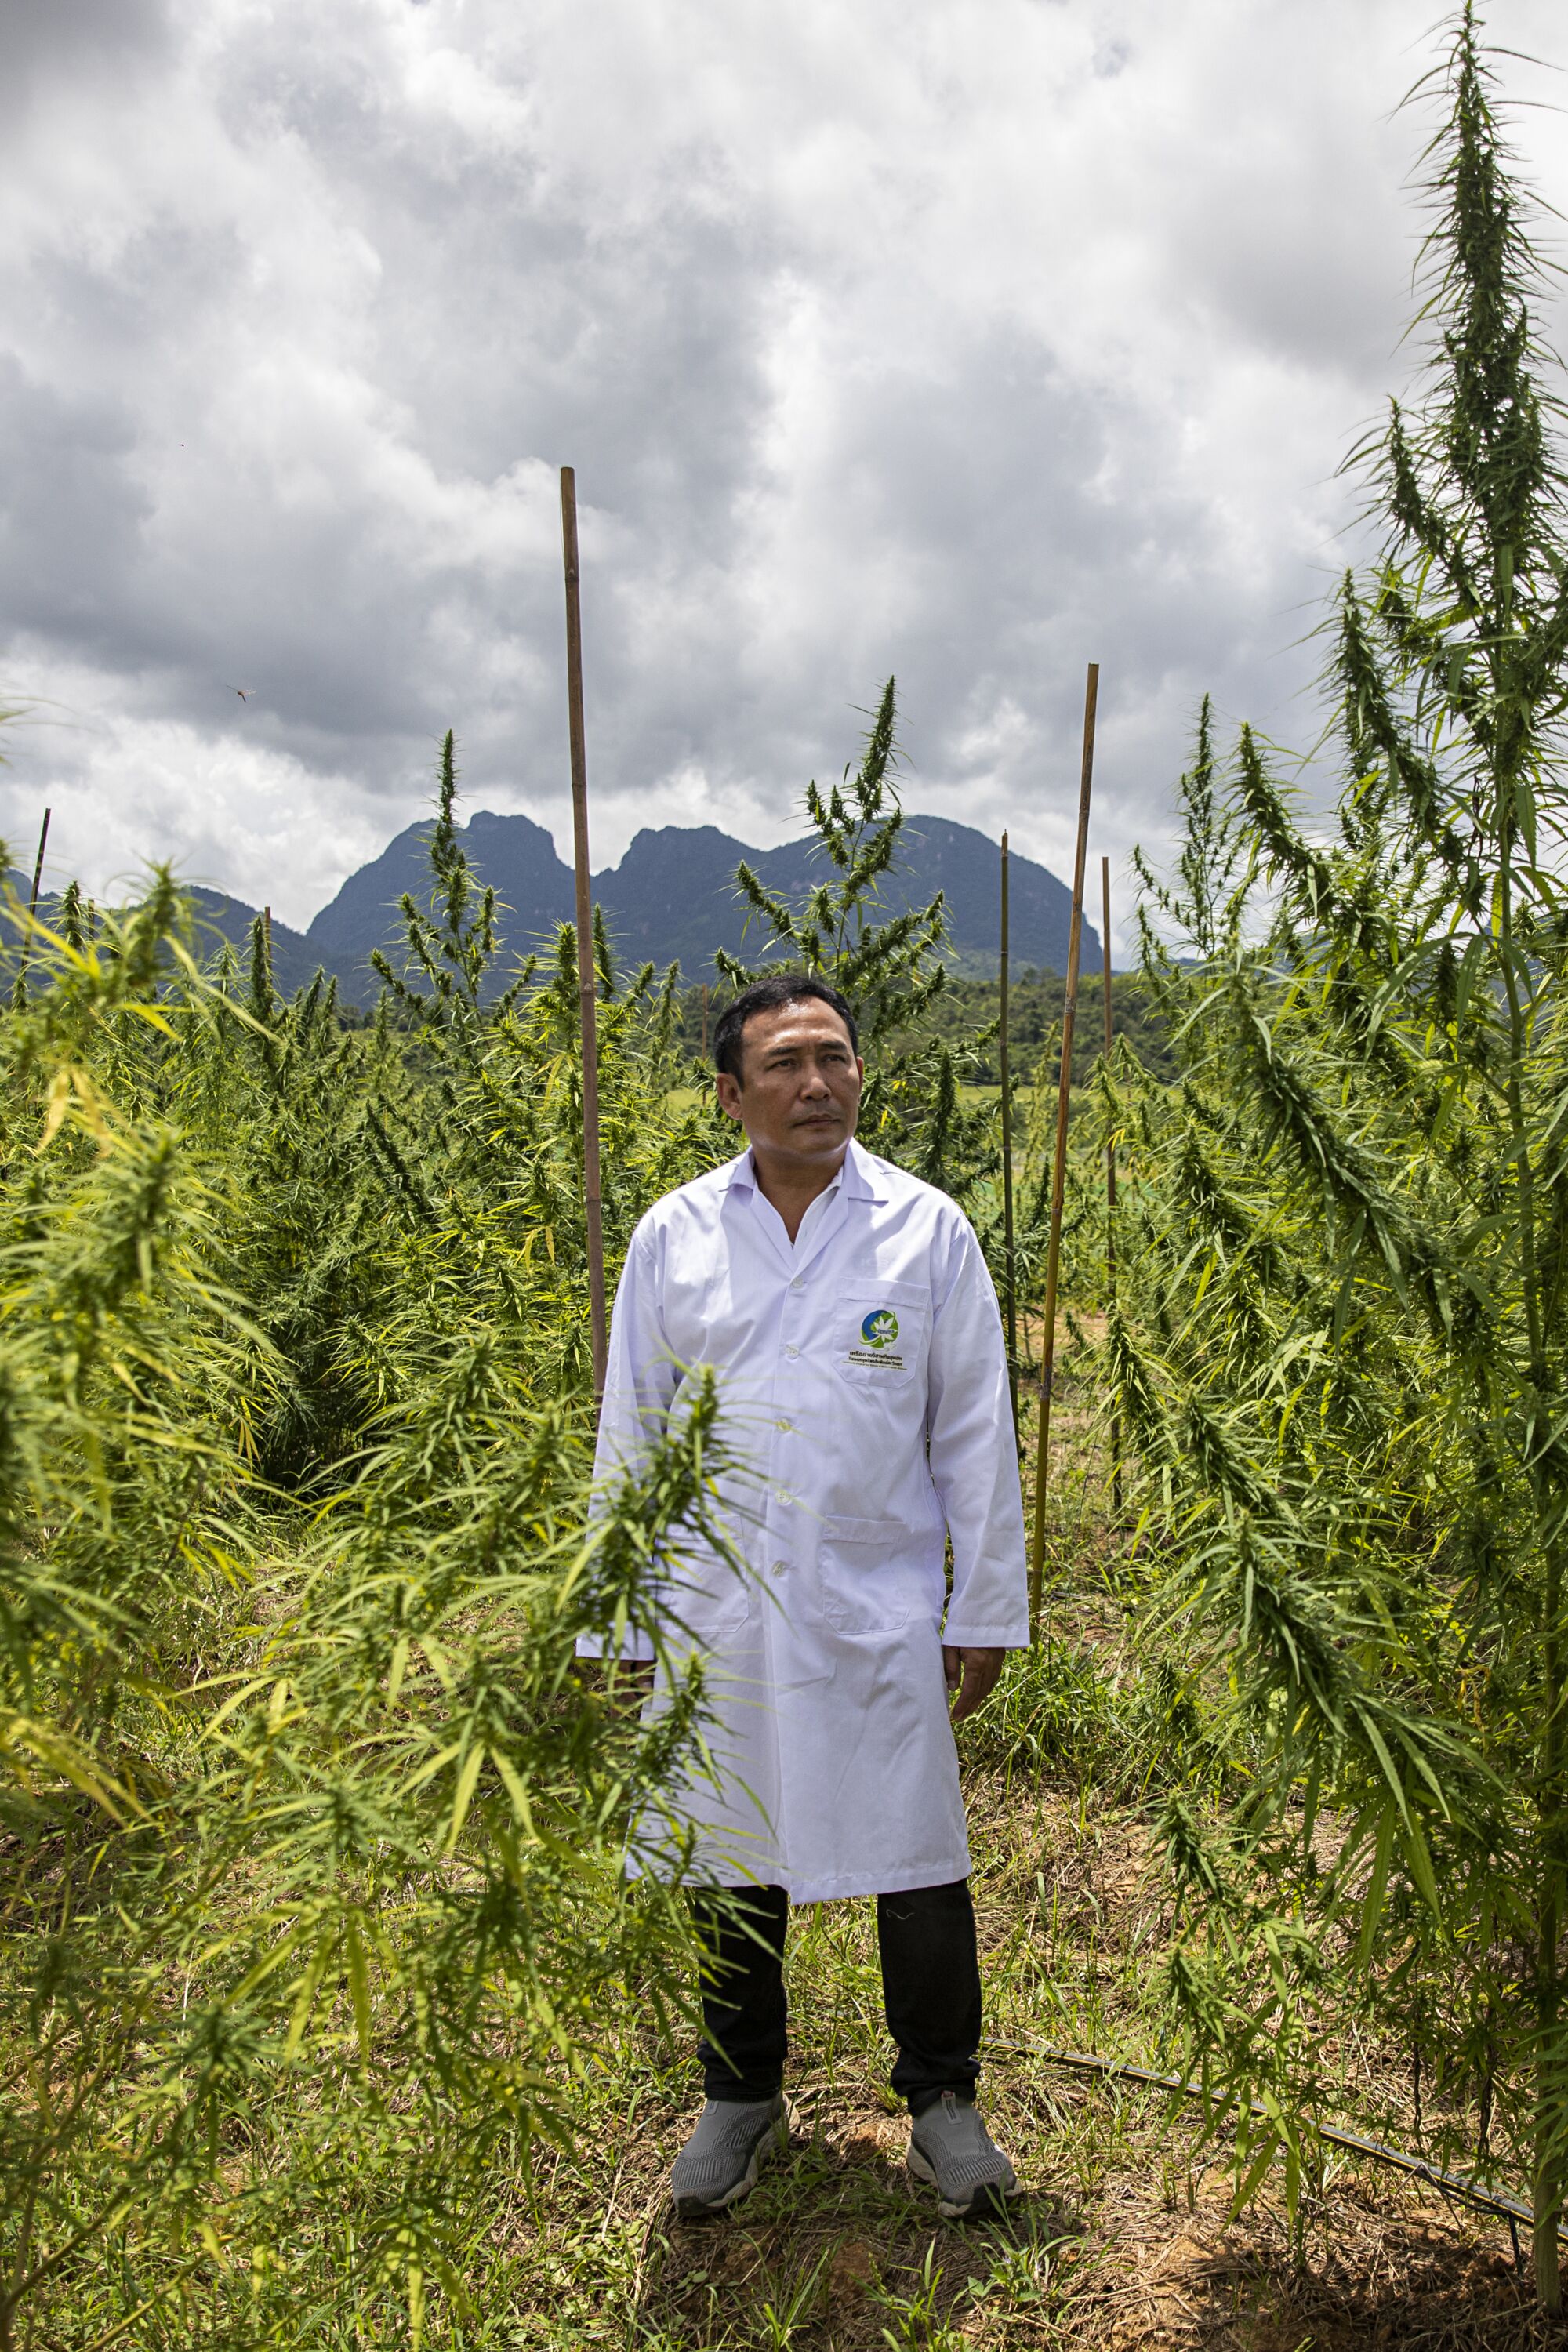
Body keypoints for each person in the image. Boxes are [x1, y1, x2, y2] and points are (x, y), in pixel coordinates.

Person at [579, 971, 1029, 2220]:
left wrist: (982, 1603)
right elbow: (634, 1430)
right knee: (731, 1850)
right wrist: (612, 1618)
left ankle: (943, 2100)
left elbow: (974, 1434)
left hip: (875, 1602)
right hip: (712, 1604)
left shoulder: (925, 1230)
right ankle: (740, 2095)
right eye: (783, 1065)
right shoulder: (675, 1235)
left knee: (920, 1861)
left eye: (834, 1057)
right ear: (731, 1093)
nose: (816, 1082)